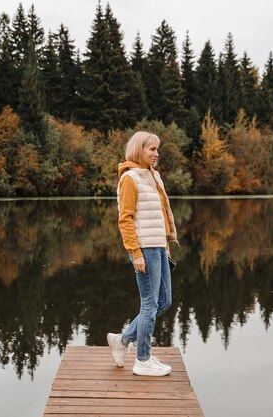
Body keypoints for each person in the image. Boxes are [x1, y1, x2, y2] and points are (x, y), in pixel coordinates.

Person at [107, 131, 178, 377]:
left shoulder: (153, 176)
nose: (156, 154)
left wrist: (166, 244)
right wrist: (135, 253)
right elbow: (125, 219)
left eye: (157, 149)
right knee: (149, 304)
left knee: (164, 301)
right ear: (139, 150)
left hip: (158, 246)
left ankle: (123, 339)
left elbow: (160, 215)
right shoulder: (130, 178)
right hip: (144, 248)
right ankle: (143, 359)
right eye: (151, 149)